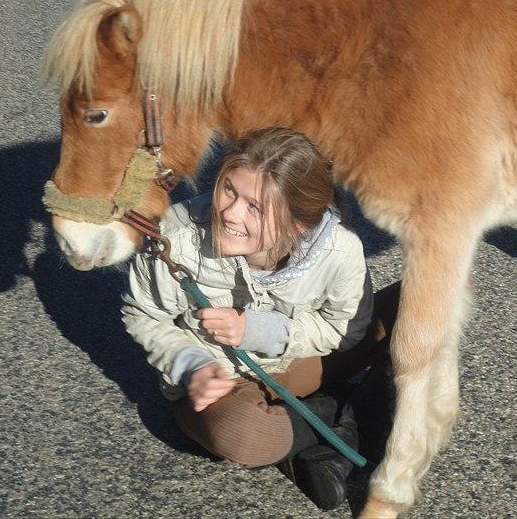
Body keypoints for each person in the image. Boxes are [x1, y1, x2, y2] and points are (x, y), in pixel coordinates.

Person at [121, 127, 374, 510]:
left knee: (421, 309)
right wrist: (191, 365)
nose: (229, 212)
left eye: (255, 207)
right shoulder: (177, 234)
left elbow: (341, 327)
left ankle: (327, 429)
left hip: (299, 361)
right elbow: (143, 315)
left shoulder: (340, 249)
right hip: (223, 381)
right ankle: (347, 416)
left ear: (300, 224)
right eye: (229, 190)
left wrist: (259, 330)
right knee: (242, 436)